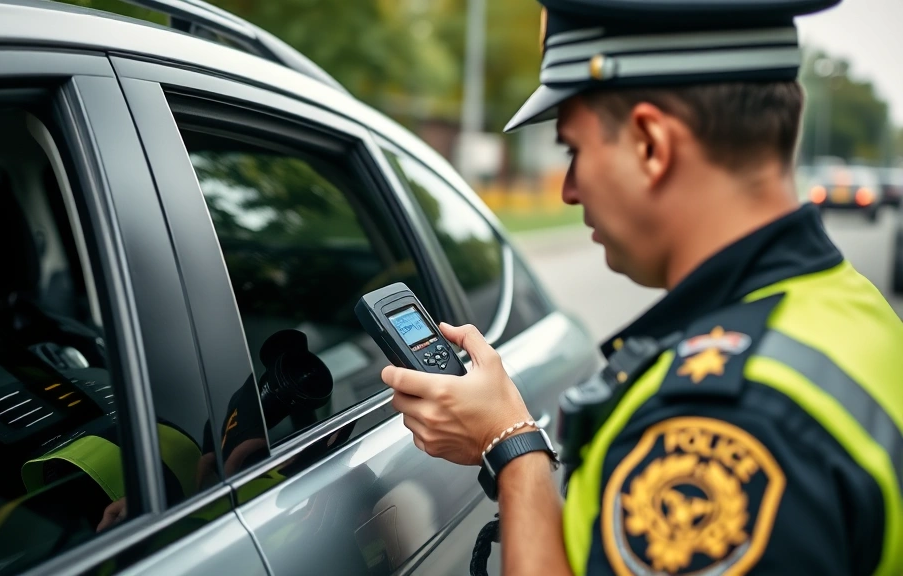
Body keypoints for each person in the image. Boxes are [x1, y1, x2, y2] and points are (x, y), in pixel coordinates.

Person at [380, 0, 903, 574]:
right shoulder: (851, 304)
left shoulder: (718, 431)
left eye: (574, 150)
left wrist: (510, 445)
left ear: (652, 145)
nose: (569, 189)